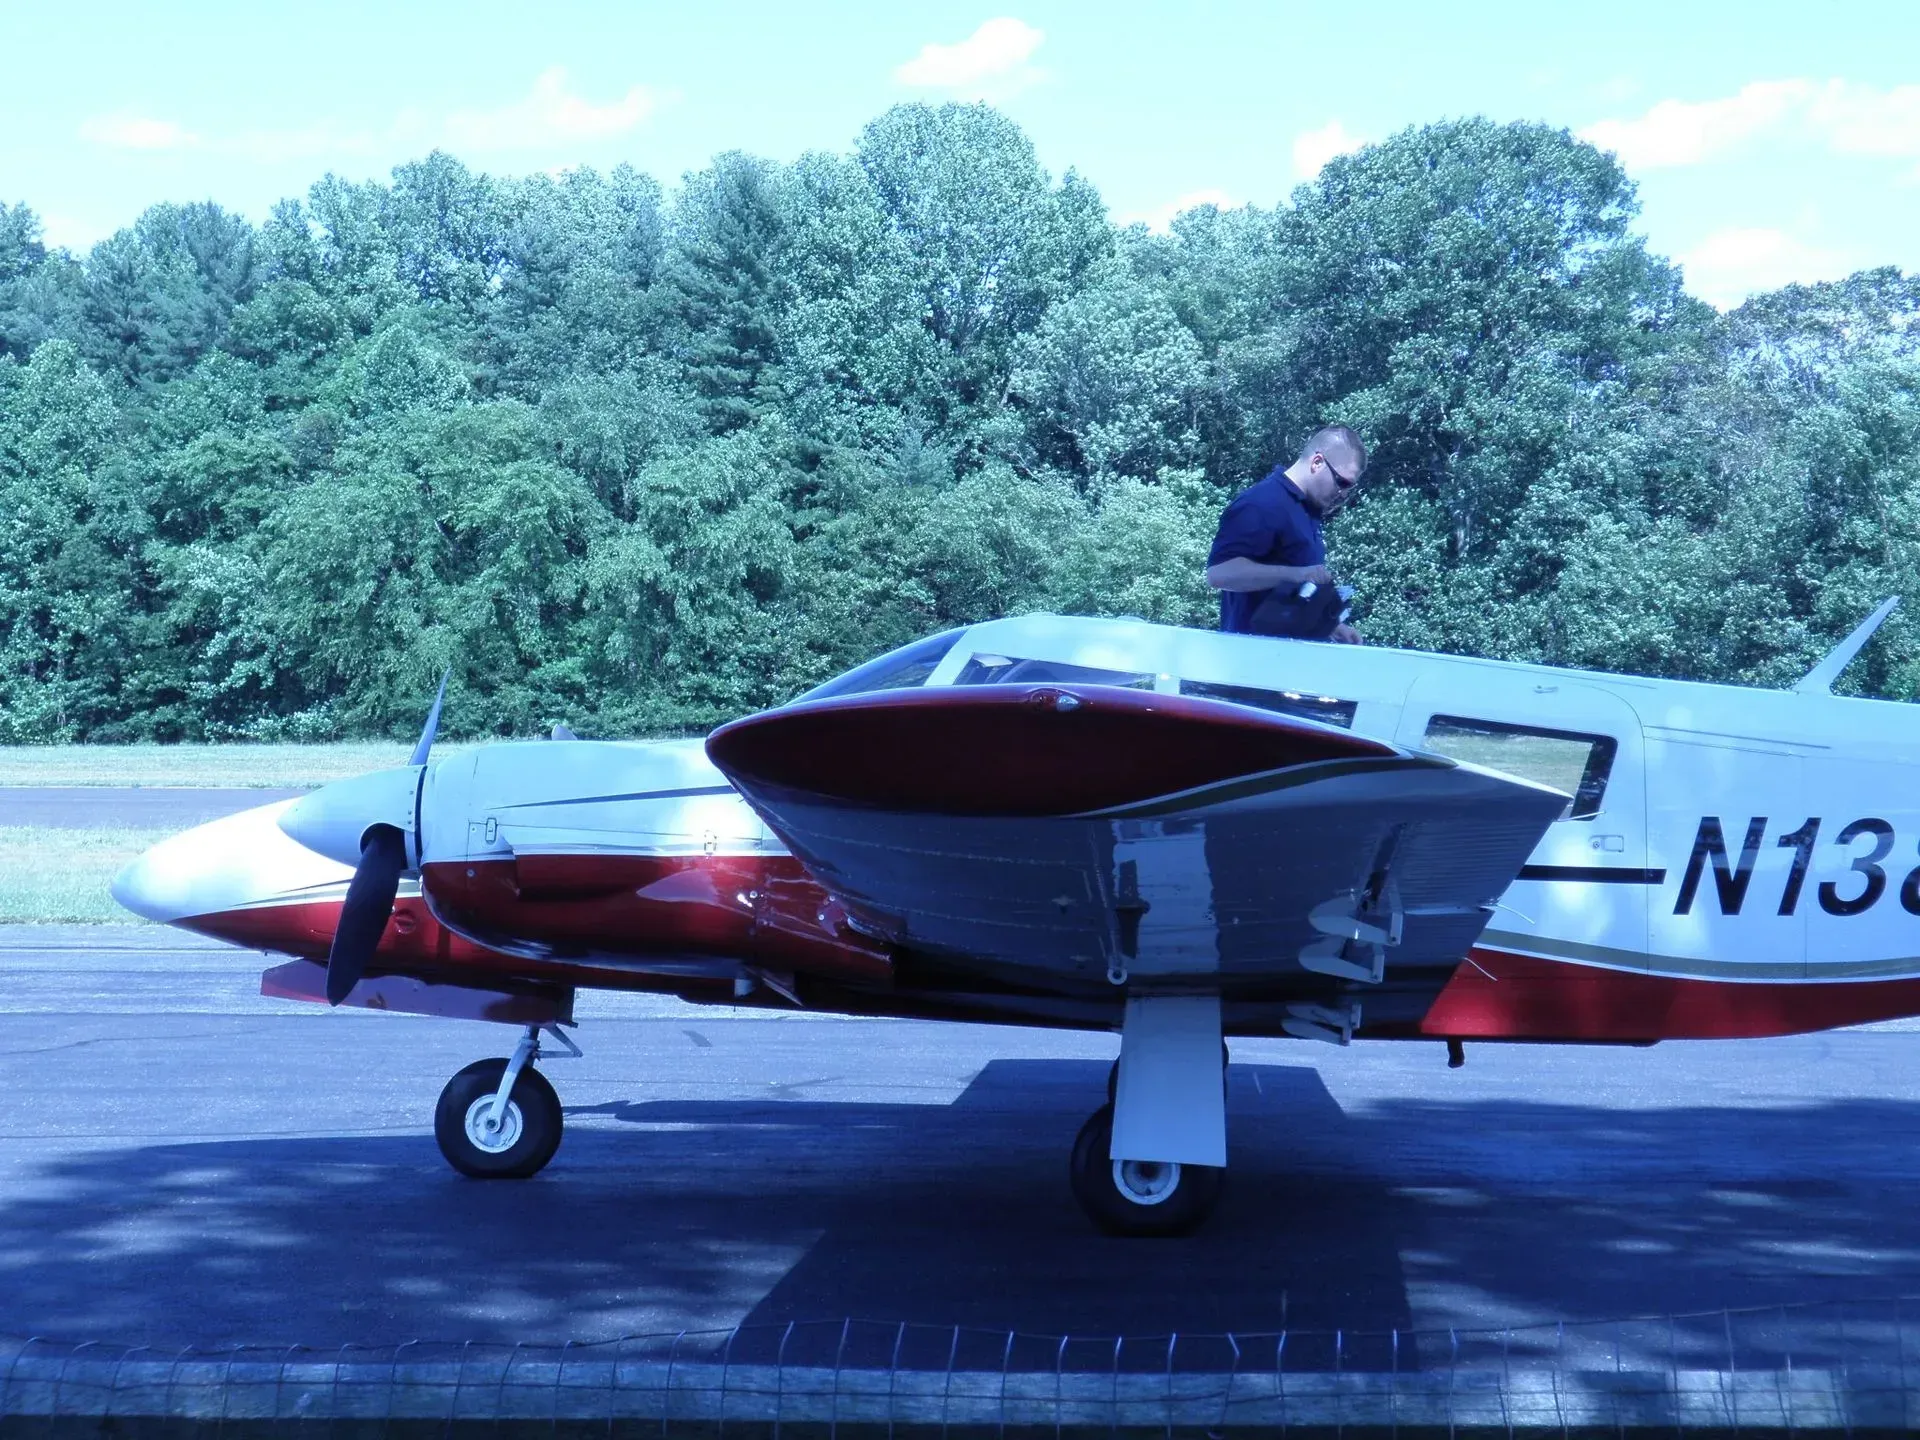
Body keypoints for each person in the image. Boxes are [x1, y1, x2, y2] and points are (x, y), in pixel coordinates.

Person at [1205, 424, 1367, 642]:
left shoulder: (1306, 512)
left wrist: (1332, 627)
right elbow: (1219, 574)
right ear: (1317, 463)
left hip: (1288, 664)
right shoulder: (1262, 503)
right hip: (1249, 663)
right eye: (1342, 482)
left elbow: (1290, 599)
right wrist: (1299, 575)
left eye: (1350, 488)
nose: (1344, 494)